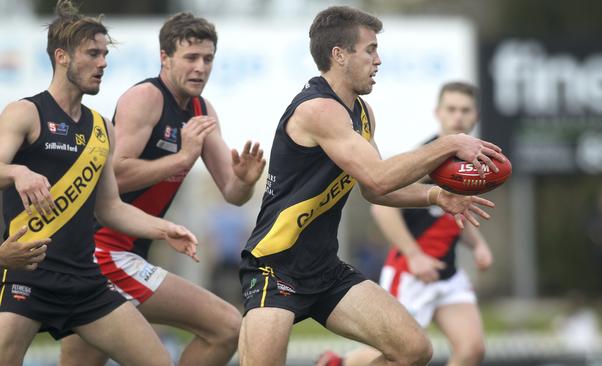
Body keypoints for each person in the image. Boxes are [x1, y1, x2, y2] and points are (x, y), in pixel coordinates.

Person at [237, 6, 505, 366]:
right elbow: (379, 175)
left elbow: (375, 190)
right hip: (275, 268)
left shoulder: (362, 113)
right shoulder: (318, 109)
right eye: (370, 50)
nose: (378, 60)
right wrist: (449, 143)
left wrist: (437, 195)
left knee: (414, 350)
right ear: (339, 55)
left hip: (325, 269)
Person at [59, 12, 266, 366]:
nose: (201, 67)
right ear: (165, 59)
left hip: (122, 252)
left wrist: (246, 181)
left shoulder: (202, 110)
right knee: (228, 326)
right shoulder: (146, 98)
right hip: (104, 250)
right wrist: (181, 158)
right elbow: (113, 176)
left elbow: (232, 193)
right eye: (191, 58)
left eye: (208, 59)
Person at [0, 1, 199, 365]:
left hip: (85, 282)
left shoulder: (101, 128)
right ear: (62, 57)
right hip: (28, 279)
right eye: (93, 53)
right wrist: (17, 172)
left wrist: (164, 229)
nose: (103, 62)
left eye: (105, 53)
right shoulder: (25, 112)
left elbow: (110, 208)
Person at [319, 82, 493, 366]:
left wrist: (478, 245)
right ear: (438, 113)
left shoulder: (468, 162)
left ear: (476, 116)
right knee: (398, 354)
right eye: (451, 109)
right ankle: (339, 363)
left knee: (472, 350)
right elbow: (382, 209)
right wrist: (415, 256)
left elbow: (452, 215)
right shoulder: (427, 159)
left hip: (447, 274)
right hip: (411, 272)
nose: (458, 117)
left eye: (465, 110)